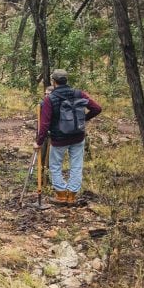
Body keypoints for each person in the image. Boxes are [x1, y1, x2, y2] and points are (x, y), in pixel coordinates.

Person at [35, 69, 102, 204]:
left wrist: (39, 141)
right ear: (66, 80)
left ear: (54, 82)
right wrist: (83, 120)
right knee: (76, 166)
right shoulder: (79, 93)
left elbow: (45, 123)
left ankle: (61, 195)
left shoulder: (50, 98)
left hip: (59, 139)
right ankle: (71, 196)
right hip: (78, 137)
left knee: (55, 166)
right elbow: (97, 108)